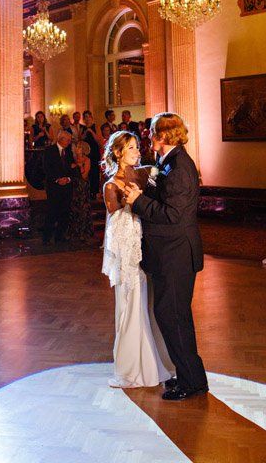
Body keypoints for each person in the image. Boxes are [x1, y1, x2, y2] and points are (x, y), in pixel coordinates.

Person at [124, 112, 208, 401]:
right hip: (168, 253)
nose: (147, 136)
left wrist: (138, 202)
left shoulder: (180, 167)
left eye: (151, 132)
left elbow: (173, 215)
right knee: (173, 315)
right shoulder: (167, 162)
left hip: (177, 254)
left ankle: (191, 381)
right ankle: (190, 377)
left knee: (171, 315)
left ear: (162, 136)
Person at [102, 131, 174, 388]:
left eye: (137, 147)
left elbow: (161, 174)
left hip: (150, 253)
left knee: (149, 306)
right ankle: (131, 368)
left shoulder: (144, 173)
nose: (137, 151)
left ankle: (156, 362)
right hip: (129, 257)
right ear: (119, 153)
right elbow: (115, 227)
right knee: (131, 306)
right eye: (131, 148)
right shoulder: (111, 186)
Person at [42, 130, 76, 244]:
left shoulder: (69, 152)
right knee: (52, 212)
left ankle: (59, 237)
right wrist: (57, 179)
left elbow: (72, 168)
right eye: (68, 140)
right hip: (54, 187)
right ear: (60, 139)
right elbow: (47, 168)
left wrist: (68, 179)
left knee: (65, 213)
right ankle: (46, 238)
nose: (69, 142)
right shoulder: (49, 151)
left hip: (66, 187)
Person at [67, 141, 94, 241]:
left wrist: (79, 165)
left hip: (82, 186)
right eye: (76, 147)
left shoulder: (87, 160)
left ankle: (82, 232)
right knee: (73, 209)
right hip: (73, 185)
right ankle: (72, 232)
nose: (76, 148)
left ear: (83, 149)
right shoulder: (72, 158)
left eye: (78, 147)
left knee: (82, 208)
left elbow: (84, 175)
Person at [82, 112, 101, 200]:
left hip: (95, 152)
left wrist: (91, 132)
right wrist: (86, 132)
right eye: (85, 117)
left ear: (91, 118)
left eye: (88, 117)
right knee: (87, 173)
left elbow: (99, 141)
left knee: (95, 172)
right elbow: (80, 139)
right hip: (86, 154)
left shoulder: (96, 127)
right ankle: (88, 192)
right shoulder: (82, 128)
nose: (87, 119)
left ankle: (95, 191)